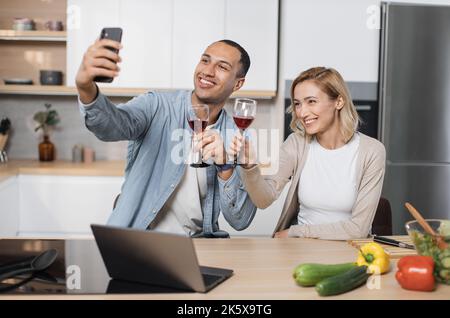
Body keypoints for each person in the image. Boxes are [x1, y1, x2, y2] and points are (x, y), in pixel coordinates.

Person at [75, 37, 257, 237]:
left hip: (197, 244)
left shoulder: (236, 137)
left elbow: (240, 220)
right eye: (205, 60)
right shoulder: (157, 106)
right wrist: (85, 87)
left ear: (238, 84)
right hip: (138, 238)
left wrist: (226, 167)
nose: (208, 71)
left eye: (222, 66)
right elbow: (110, 126)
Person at [229, 67, 386, 240]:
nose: (302, 113)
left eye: (311, 101)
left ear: (338, 102)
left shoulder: (371, 151)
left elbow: (358, 229)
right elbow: (263, 200)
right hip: (300, 250)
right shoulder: (296, 144)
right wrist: (249, 166)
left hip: (349, 251)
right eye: (297, 104)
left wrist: (296, 232)